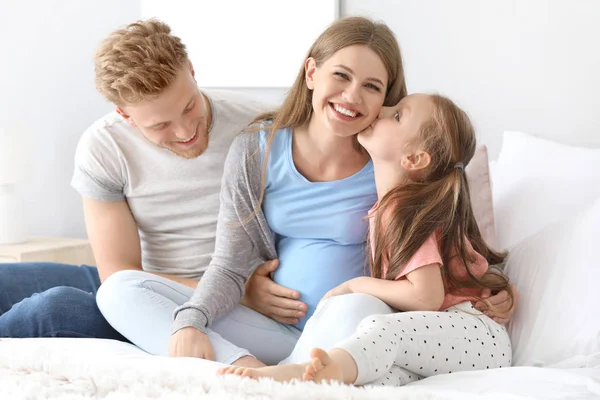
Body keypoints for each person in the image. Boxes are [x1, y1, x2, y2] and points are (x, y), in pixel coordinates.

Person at [97, 16, 517, 371]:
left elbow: (446, 234)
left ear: (387, 98)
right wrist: (192, 320)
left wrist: (494, 287)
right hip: (273, 330)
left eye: (372, 86)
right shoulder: (257, 149)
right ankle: (245, 371)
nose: (352, 96)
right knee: (119, 291)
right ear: (312, 73)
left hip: (347, 330)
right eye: (341, 75)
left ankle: (290, 376)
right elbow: (229, 263)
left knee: (359, 309)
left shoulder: (392, 160)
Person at [0, 19, 298, 343]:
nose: (186, 131)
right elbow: (118, 274)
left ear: (192, 70)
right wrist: (238, 292)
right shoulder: (105, 147)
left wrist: (236, 290)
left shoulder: (262, 126)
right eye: (161, 125)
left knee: (52, 310)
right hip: (144, 285)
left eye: (189, 106)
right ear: (125, 115)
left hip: (212, 298)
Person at [220, 93, 515, 386]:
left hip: (475, 335)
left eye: (398, 114)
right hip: (446, 344)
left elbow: (427, 297)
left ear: (414, 158)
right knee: (378, 378)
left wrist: (353, 285)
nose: (383, 109)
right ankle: (305, 382)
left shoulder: (405, 209)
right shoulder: (389, 208)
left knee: (381, 330)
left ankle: (294, 373)